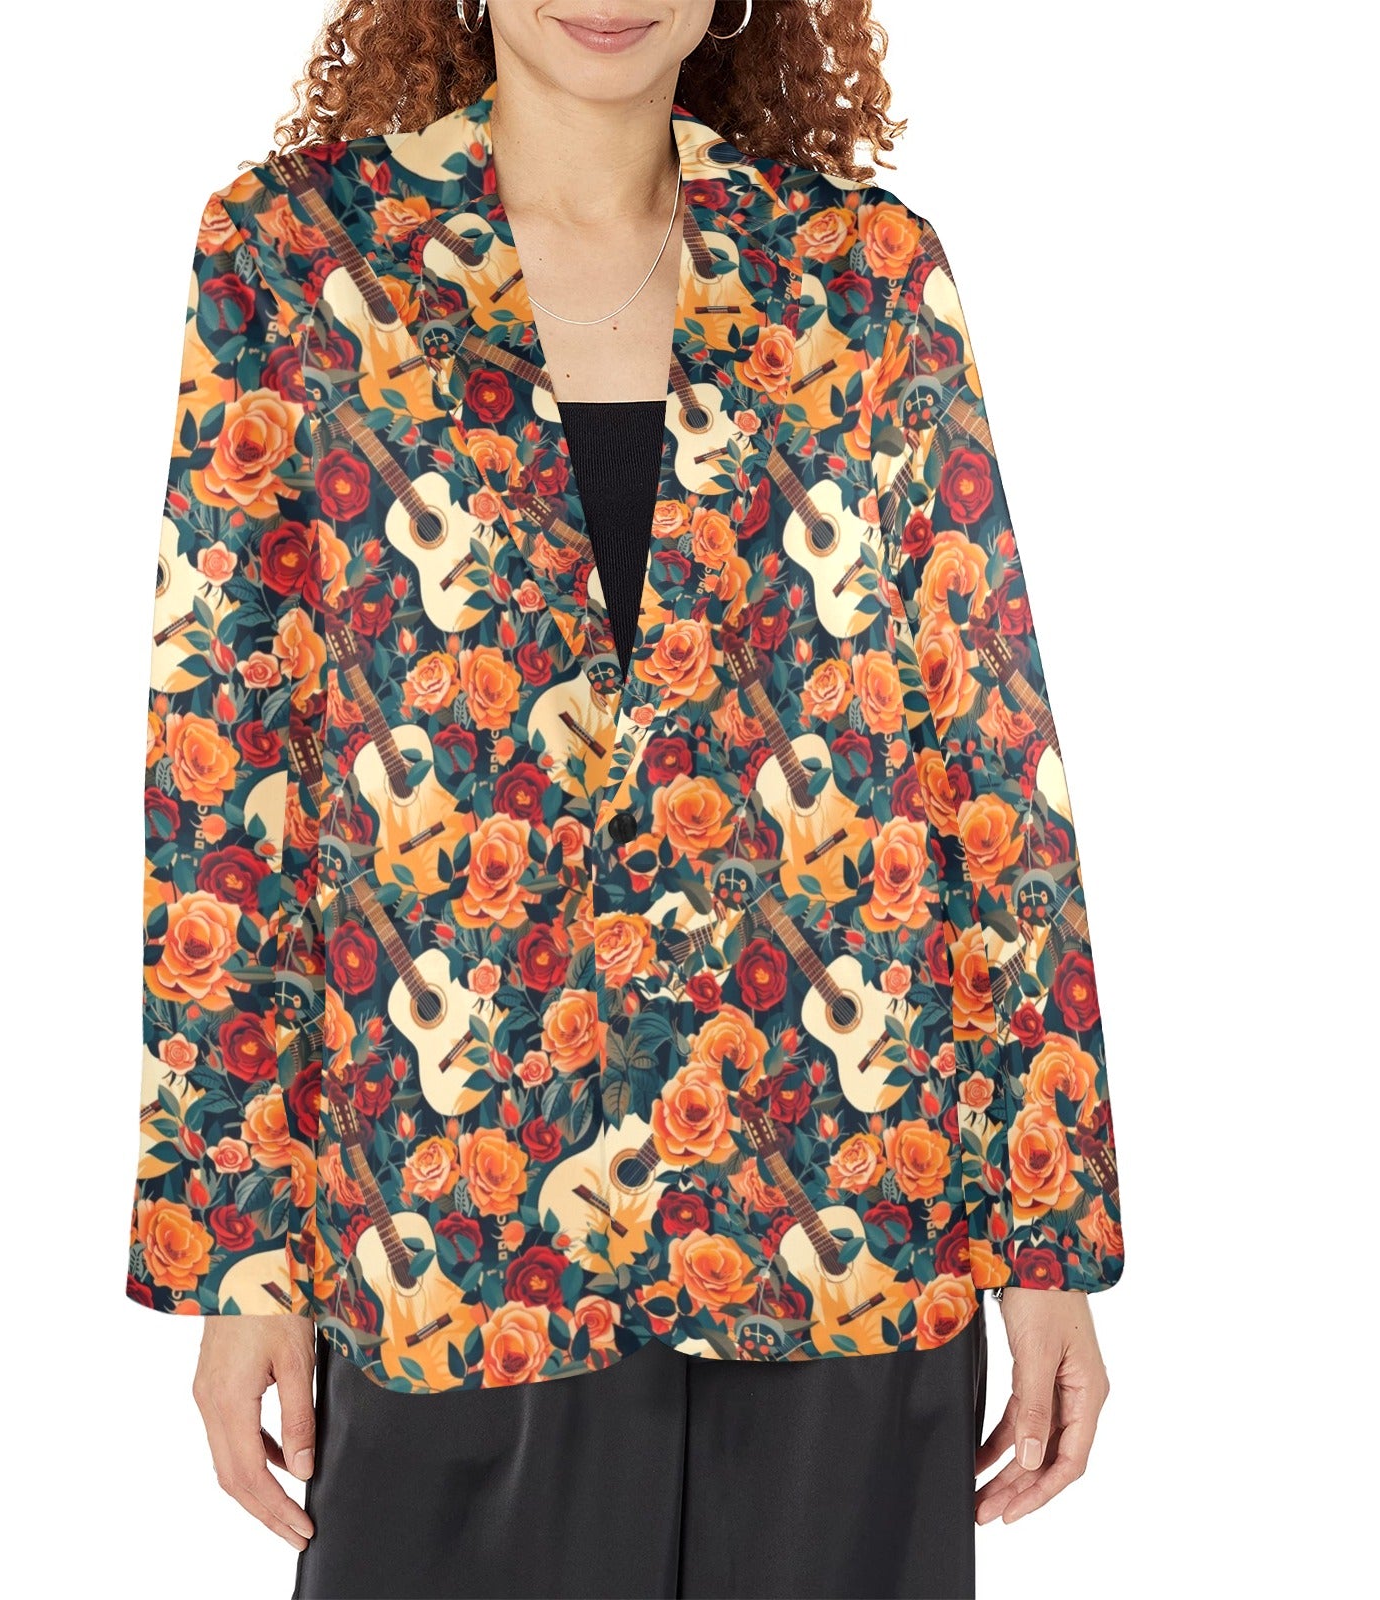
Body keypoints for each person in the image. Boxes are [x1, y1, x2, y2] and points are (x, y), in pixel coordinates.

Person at [127, 3, 1123, 1595]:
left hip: (846, 1215)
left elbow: (990, 752)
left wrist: (1047, 1239)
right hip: (457, 1231)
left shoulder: (862, 273)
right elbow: (230, 758)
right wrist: (237, 1259)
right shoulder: (301, 257)